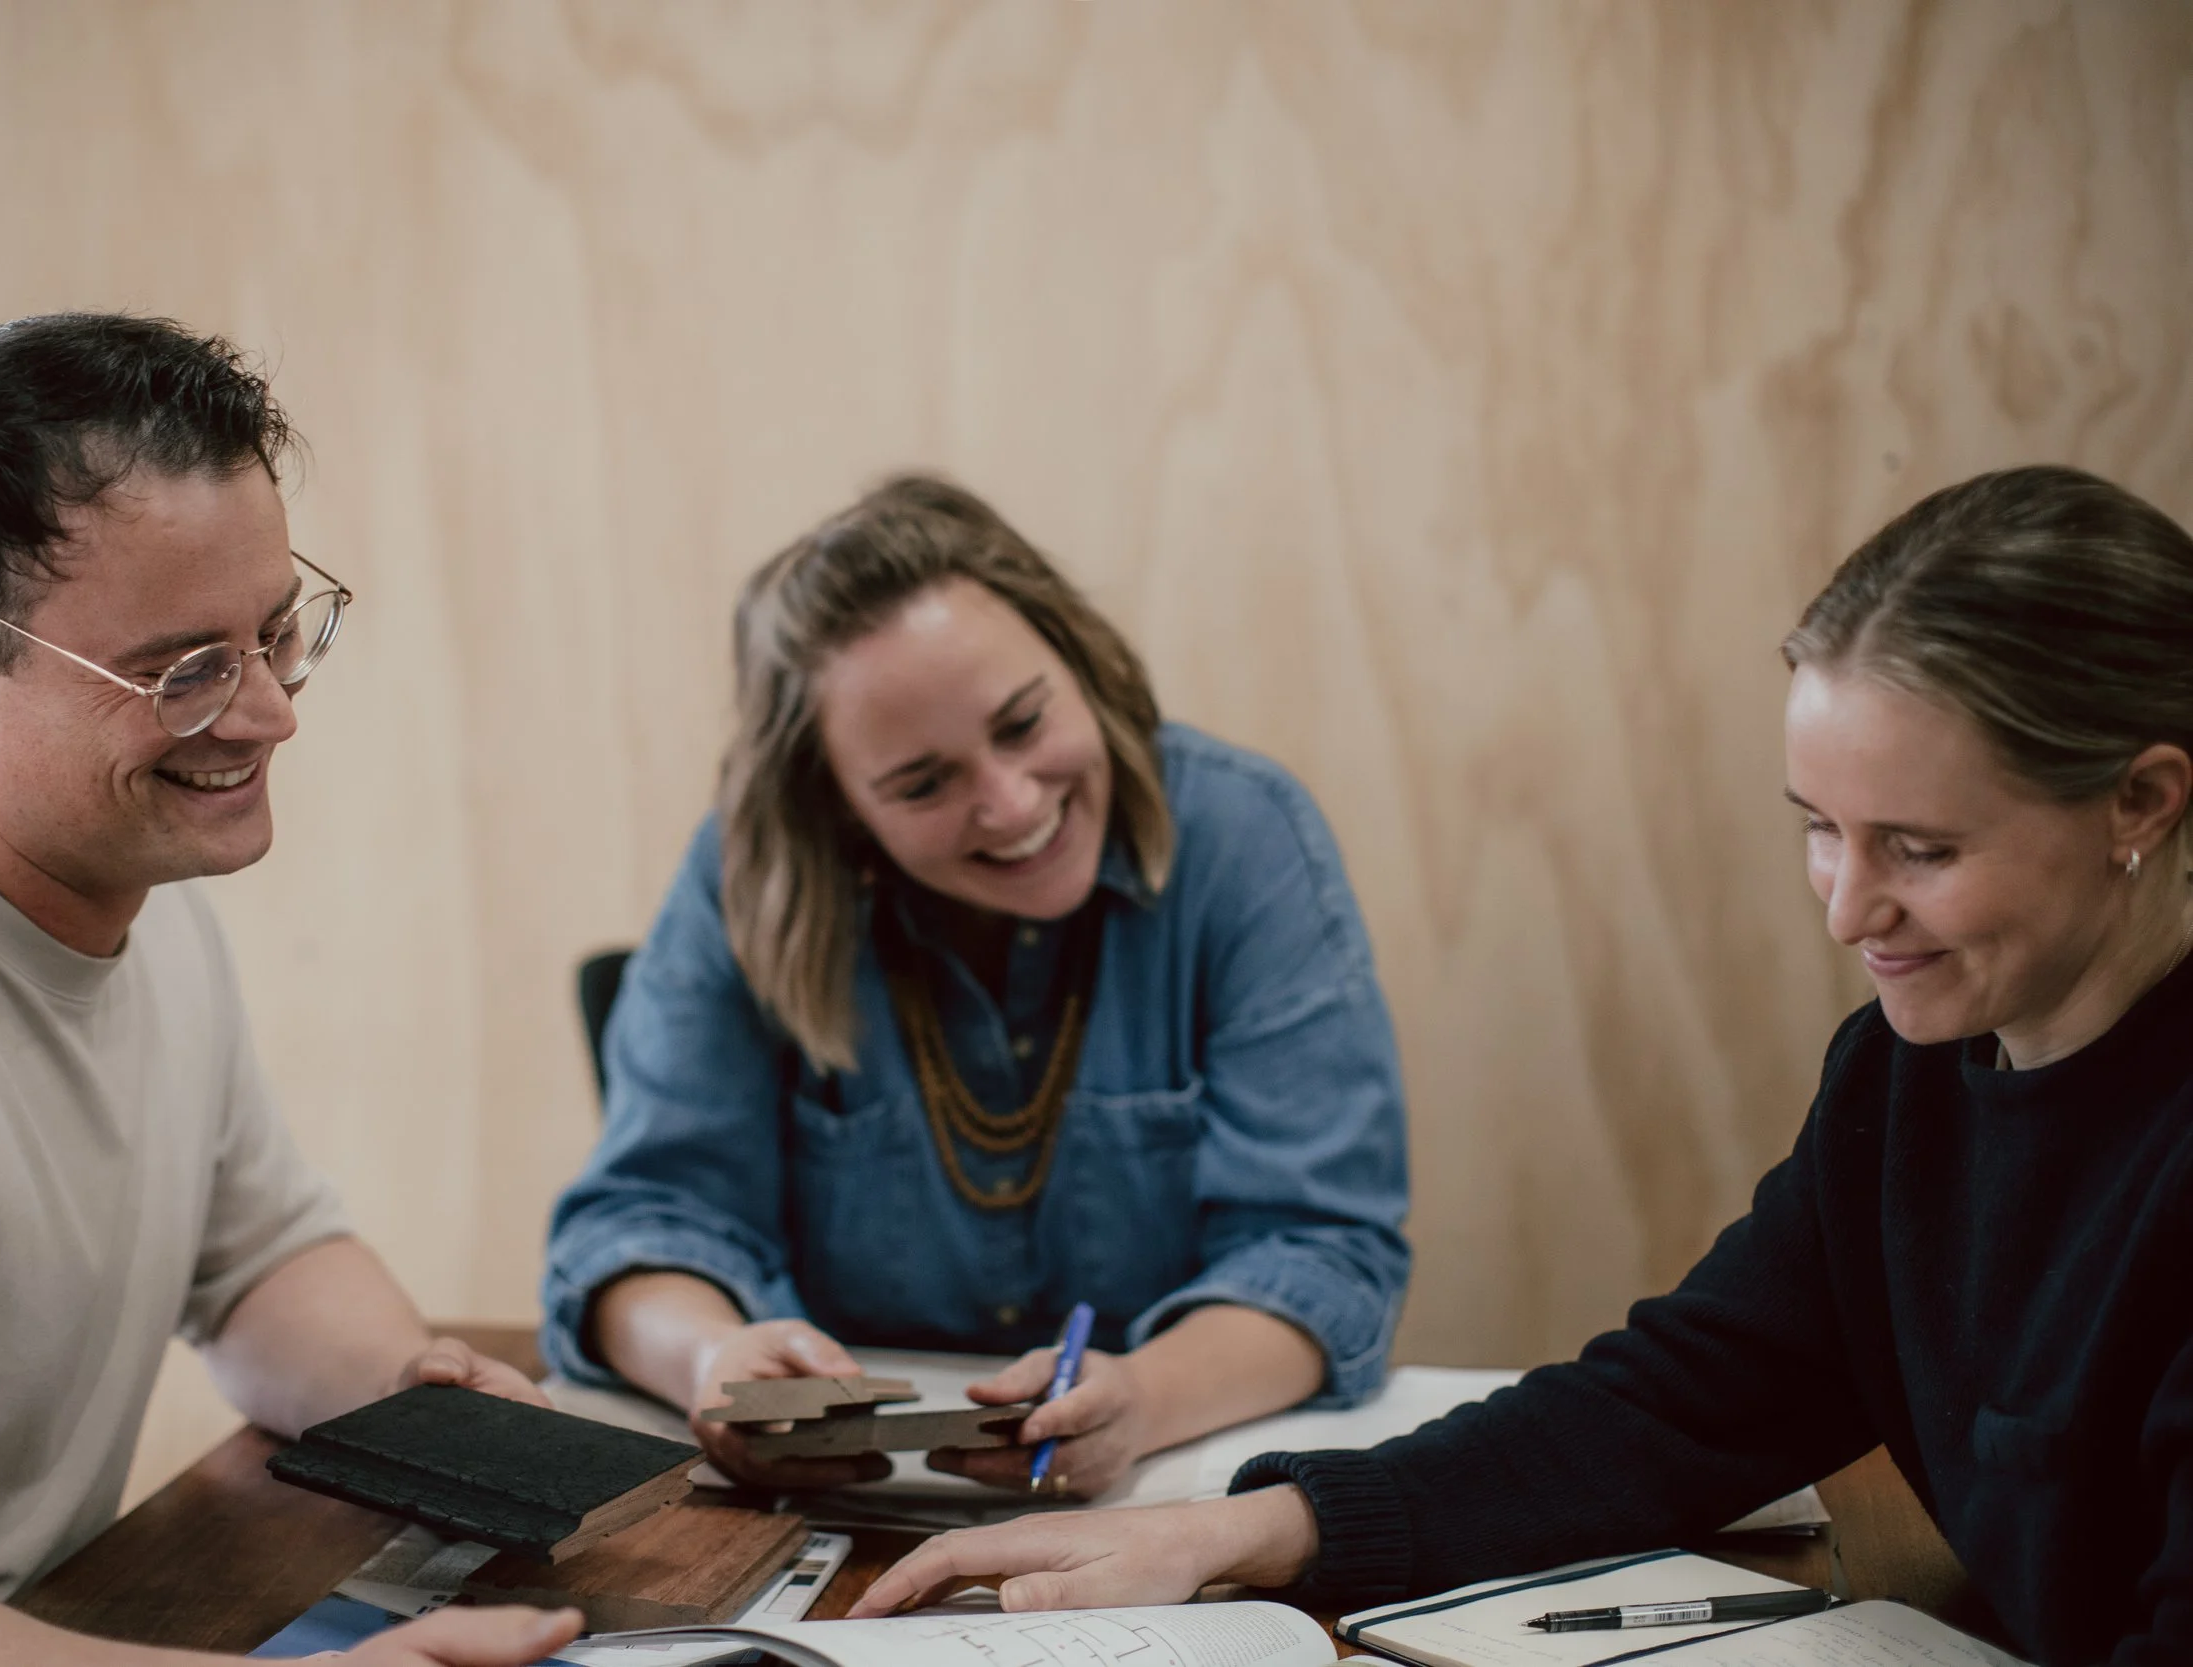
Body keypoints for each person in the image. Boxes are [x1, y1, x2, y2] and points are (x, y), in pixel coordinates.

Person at [850, 465, 2193, 1667]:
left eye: (1920, 847)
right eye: (1820, 828)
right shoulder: (1906, 1081)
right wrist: (1248, 1527)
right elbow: (1681, 1401)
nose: (1846, 911)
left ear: (2140, 799)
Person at [0, 315, 579, 1666]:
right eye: (182, 669)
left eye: (277, 631)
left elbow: (260, 1254)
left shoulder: (124, 872)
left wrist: (403, 1389)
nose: (270, 710)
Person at [543, 475, 1411, 1498]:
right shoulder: (750, 872)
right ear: (837, 810)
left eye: (1022, 722)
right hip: (827, 1510)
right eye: (922, 783)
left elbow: (1322, 1252)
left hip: (1160, 1498)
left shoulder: (1243, 837)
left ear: (1081, 663)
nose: (1009, 805)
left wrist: (1145, 1396)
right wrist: (708, 1360)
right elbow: (638, 1224)